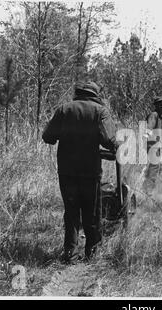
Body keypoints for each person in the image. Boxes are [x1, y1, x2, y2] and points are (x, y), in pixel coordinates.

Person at [42, 81, 119, 264]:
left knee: (71, 212)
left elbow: (48, 137)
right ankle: (92, 253)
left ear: (78, 93)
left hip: (67, 171)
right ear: (94, 94)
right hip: (90, 171)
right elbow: (109, 140)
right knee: (91, 212)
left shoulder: (64, 109)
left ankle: (70, 253)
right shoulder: (100, 111)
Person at [142, 96, 162, 195]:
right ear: (156, 105)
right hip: (153, 146)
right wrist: (147, 136)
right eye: (160, 104)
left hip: (158, 147)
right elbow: (148, 128)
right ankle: (147, 192)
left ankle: (151, 190)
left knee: (158, 169)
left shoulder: (161, 117)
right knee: (153, 169)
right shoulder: (154, 115)